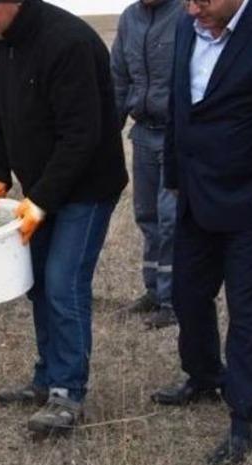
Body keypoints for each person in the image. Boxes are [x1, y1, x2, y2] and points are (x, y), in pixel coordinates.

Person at [0, 0, 128, 434]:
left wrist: (41, 200)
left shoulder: (68, 42)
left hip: (88, 188)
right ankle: (47, 377)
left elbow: (83, 135)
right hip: (42, 188)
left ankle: (67, 393)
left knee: (64, 282)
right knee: (37, 281)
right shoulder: (1, 41)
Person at [152, 0, 252, 465]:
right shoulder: (190, 24)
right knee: (188, 295)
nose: (192, 9)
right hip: (196, 196)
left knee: (251, 315)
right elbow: (179, 105)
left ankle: (249, 420)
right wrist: (173, 174)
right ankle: (204, 374)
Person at [110, 0, 184, 329]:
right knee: (147, 216)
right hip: (142, 134)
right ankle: (154, 291)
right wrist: (106, 133)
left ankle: (174, 300)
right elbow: (118, 78)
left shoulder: (187, 13)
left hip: (177, 137)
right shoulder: (129, 18)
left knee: (172, 219)